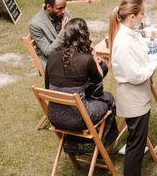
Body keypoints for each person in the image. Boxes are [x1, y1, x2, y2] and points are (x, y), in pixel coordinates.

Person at [109, 0, 157, 176]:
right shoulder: (122, 42)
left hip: (139, 94)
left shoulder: (131, 34)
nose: (143, 18)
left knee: (139, 142)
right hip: (132, 96)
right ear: (132, 16)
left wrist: (153, 57)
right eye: (142, 14)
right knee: (135, 144)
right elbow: (135, 75)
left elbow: (141, 59)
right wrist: (156, 63)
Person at [45, 18, 117, 146]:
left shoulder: (52, 56)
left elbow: (47, 87)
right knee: (108, 98)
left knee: (91, 91)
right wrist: (94, 55)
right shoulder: (86, 59)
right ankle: (98, 145)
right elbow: (99, 80)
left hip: (55, 116)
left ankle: (77, 145)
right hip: (80, 118)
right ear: (84, 36)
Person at [29, 0, 70, 67]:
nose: (64, 11)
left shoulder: (63, 10)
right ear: (48, 7)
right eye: (60, 8)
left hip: (68, 54)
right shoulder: (35, 24)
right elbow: (49, 53)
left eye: (64, 7)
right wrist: (63, 31)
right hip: (52, 63)